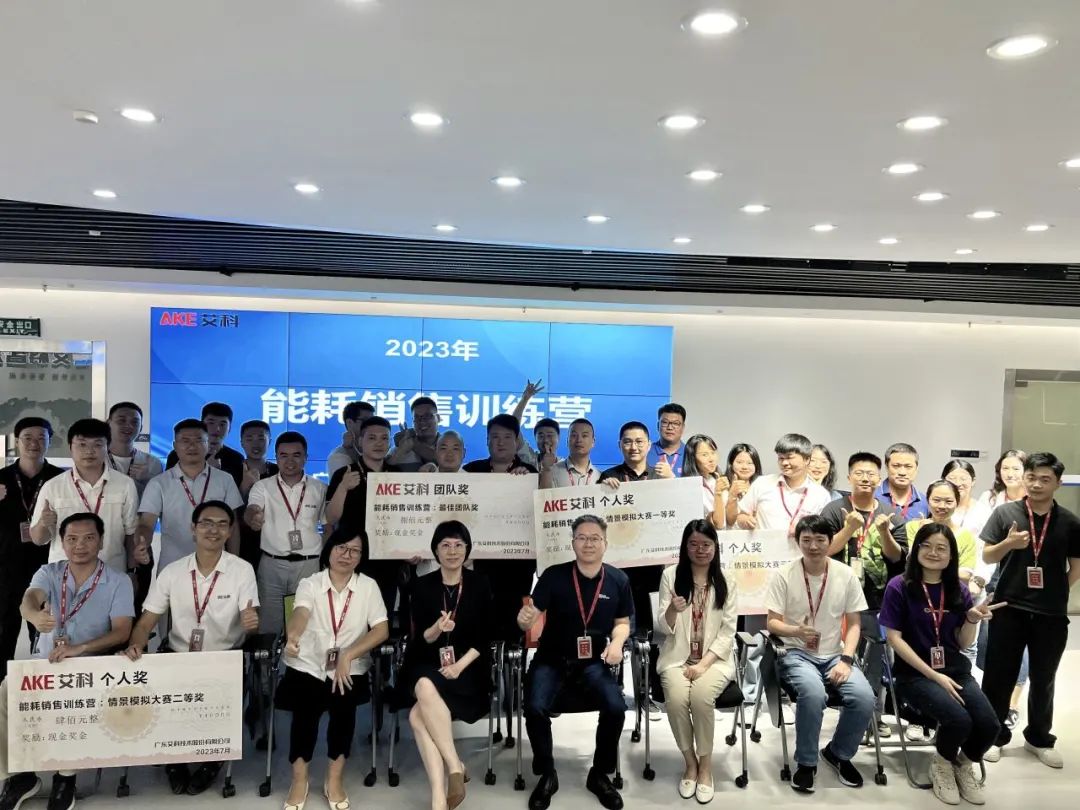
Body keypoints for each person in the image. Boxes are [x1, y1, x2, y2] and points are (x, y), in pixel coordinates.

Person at [123, 501, 260, 795]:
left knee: (218, 713)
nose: (214, 530)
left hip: (224, 659)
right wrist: (136, 644)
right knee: (169, 707)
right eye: (206, 523)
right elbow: (146, 622)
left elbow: (251, 621)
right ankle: (175, 760)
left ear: (230, 531)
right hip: (179, 656)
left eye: (222, 524)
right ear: (193, 529)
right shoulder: (173, 572)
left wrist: (251, 622)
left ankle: (214, 760)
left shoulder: (242, 570)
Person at [0, 513, 134, 810]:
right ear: (62, 542)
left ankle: (65, 778)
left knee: (70, 698)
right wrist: (34, 615)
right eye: (72, 539)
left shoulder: (118, 581)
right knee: (7, 691)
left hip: (90, 666)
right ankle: (19, 775)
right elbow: (29, 599)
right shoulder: (49, 572)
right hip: (46, 662)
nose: (80, 545)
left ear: (101, 541)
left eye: (88, 538)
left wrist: (80, 648)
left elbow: (122, 630)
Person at [517, 515, 632, 810]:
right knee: (534, 706)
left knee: (616, 707)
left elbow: (622, 622)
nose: (588, 543)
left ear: (605, 544)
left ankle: (599, 773)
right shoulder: (554, 576)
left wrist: (617, 643)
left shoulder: (618, 580)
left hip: (593, 661)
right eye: (582, 537)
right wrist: (524, 619)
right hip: (551, 658)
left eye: (595, 538)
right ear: (573, 543)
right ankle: (547, 773)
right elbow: (530, 616)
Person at [878, 523, 999, 806]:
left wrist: (971, 620)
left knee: (989, 725)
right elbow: (894, 639)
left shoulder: (958, 589)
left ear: (951, 554)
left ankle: (962, 763)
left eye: (941, 548)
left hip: (955, 671)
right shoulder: (899, 586)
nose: (934, 552)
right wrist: (933, 675)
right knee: (959, 720)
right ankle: (942, 764)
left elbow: (963, 643)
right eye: (927, 546)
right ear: (916, 549)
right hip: (914, 674)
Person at [980, 452, 1080, 768]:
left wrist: (1056, 592)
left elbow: (1076, 567)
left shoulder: (1069, 522)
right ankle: (993, 736)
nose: (1036, 484)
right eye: (1031, 477)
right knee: (998, 676)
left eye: (1045, 479)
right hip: (1008, 608)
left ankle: (1039, 738)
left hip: (1051, 614)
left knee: (1044, 676)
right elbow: (987, 556)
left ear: (1058, 483)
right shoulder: (1005, 513)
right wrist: (1008, 544)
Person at [278, 529, 389, 810]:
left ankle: (334, 779)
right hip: (309, 663)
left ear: (361, 557)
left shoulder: (368, 587)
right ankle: (299, 780)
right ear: (329, 550)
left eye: (354, 551)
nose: (346, 555)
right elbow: (300, 613)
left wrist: (348, 655)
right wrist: (293, 635)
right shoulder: (310, 583)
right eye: (341, 547)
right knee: (304, 718)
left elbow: (381, 629)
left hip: (350, 666)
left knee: (343, 716)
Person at [765, 514, 874, 793]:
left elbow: (854, 624)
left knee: (864, 697)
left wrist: (846, 659)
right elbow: (772, 623)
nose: (813, 546)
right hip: (796, 653)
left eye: (820, 540)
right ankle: (806, 762)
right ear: (798, 542)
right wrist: (796, 631)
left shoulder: (845, 575)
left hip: (835, 655)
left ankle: (838, 753)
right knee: (813, 694)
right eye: (806, 540)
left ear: (830, 541)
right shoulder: (784, 574)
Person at [401, 521, 493, 810]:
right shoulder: (421, 586)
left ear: (467, 550)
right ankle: (453, 769)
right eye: (445, 545)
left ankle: (441, 793)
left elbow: (486, 636)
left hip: (469, 667)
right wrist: (436, 629)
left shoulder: (480, 584)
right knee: (424, 682)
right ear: (435, 551)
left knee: (417, 717)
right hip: (429, 662)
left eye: (458, 545)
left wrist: (458, 667)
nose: (452, 551)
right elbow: (420, 639)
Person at [657, 520, 738, 804]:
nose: (700, 550)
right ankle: (690, 762)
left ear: (715, 547)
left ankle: (706, 766)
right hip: (676, 659)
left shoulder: (727, 580)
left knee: (702, 698)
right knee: (677, 700)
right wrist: (671, 609)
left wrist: (703, 665)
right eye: (693, 544)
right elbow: (663, 627)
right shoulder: (670, 576)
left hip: (714, 661)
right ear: (685, 547)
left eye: (706, 544)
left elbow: (728, 631)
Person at [598, 422, 662, 716]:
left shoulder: (661, 477)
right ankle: (615, 690)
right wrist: (603, 491)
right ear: (619, 445)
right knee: (619, 632)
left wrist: (671, 483)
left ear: (649, 445)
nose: (633, 447)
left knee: (647, 636)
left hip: (652, 570)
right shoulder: (608, 477)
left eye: (639, 441)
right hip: (619, 572)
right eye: (627, 441)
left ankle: (645, 693)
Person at [30, 418, 141, 575]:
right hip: (63, 577)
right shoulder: (52, 487)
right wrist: (43, 523)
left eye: (97, 444)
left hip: (112, 574)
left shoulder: (125, 484)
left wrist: (132, 572)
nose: (89, 451)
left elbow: (131, 533)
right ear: (70, 447)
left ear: (107, 446)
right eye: (82, 444)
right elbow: (37, 539)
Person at [464, 415, 538, 647]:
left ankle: (512, 661)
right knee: (480, 615)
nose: (501, 442)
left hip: (517, 562)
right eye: (495, 437)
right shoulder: (471, 471)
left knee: (513, 619)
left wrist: (526, 483)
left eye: (507, 437)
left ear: (516, 441)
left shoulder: (529, 473)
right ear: (487, 441)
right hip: (480, 561)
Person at [0, 418, 64, 679]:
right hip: (5, 567)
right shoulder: (1, 478)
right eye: (28, 437)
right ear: (16, 441)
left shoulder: (60, 479)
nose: (34, 443)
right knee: (3, 632)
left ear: (50, 441)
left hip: (46, 567)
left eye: (41, 437)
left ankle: (43, 689)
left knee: (43, 633)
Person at [138, 419, 244, 575]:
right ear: (175, 446)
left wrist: (234, 563)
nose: (192, 446)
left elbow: (232, 527)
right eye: (185, 441)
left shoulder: (225, 480)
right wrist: (142, 543)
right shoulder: (159, 483)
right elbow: (147, 523)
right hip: (172, 569)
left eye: (199, 440)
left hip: (216, 568)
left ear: (208, 445)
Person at [247, 432, 327, 637]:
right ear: (276, 457)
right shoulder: (262, 486)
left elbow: (328, 526)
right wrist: (253, 516)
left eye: (296, 455)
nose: (290, 461)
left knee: (306, 626)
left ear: (306, 457)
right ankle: (269, 658)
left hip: (309, 565)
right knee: (269, 626)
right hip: (272, 564)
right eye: (283, 455)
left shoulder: (320, 488)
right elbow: (252, 509)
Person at [326, 416, 405, 618]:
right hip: (353, 558)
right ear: (360, 441)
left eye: (384, 438)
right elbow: (331, 518)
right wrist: (343, 488)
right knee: (350, 618)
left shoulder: (398, 474)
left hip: (388, 560)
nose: (379, 443)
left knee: (382, 617)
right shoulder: (345, 473)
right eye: (372, 438)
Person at [973, 450, 1028, 725]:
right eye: (1005, 468)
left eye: (1016, 468)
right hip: (995, 572)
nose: (1010, 473)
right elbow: (983, 540)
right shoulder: (990, 498)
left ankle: (1012, 705)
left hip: (1025, 576)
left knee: (1022, 640)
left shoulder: (1033, 501)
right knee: (989, 640)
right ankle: (994, 699)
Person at [821, 452, 906, 610]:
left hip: (879, 600)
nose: (865, 479)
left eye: (871, 474)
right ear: (849, 478)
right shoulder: (832, 510)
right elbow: (824, 550)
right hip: (837, 596)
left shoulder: (891, 514)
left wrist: (885, 533)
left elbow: (897, 558)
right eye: (859, 473)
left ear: (879, 480)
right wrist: (849, 529)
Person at [735, 434, 830, 535]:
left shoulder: (821, 495)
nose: (784, 463)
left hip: (803, 545)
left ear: (807, 459)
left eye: (789, 457)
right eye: (781, 458)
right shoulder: (762, 483)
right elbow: (740, 516)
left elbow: (826, 532)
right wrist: (745, 521)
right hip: (766, 545)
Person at [904, 482, 978, 587]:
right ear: (927, 501)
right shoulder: (913, 527)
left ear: (957, 503)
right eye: (936, 500)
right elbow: (909, 562)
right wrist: (921, 535)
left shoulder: (966, 536)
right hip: (913, 587)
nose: (942, 506)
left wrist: (932, 570)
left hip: (949, 591)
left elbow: (965, 574)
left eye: (949, 501)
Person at [166, 402, 246, 490]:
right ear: (202, 425)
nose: (217, 429)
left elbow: (236, 495)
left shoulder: (236, 459)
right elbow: (169, 490)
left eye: (222, 424)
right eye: (211, 423)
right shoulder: (178, 455)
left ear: (229, 428)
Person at [238, 420, 279, 569]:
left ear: (270, 441)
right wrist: (244, 486)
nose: (255, 444)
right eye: (249, 439)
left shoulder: (279, 471)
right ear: (242, 443)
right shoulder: (232, 471)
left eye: (261, 438)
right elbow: (228, 511)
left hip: (274, 543)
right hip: (242, 541)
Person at [106, 401, 163, 497]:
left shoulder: (153, 463)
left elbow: (160, 498)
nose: (128, 426)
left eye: (135, 422)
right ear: (108, 423)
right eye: (121, 420)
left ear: (141, 428)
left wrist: (148, 480)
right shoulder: (97, 460)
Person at [680, 435, 730, 530]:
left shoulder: (717, 479)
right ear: (692, 458)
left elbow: (729, 518)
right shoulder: (689, 488)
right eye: (704, 455)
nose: (711, 459)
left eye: (713, 452)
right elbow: (718, 524)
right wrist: (718, 493)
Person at [541, 419, 599, 489]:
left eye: (584, 436)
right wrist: (546, 471)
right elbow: (543, 495)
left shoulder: (600, 476)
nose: (579, 440)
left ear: (593, 442)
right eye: (574, 435)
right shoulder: (551, 472)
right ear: (567, 441)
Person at [876, 443, 928, 520]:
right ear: (887, 467)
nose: (902, 472)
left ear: (916, 468)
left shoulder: (925, 502)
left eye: (908, 466)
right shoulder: (872, 497)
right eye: (896, 466)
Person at [389, 396, 441, 472]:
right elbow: (381, 472)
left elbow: (446, 460)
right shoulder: (401, 447)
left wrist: (414, 444)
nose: (422, 421)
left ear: (438, 418)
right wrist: (401, 451)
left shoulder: (450, 444)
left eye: (427, 416)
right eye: (417, 417)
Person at [327, 401, 376, 478]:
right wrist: (350, 450)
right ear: (349, 423)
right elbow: (361, 482)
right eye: (365, 421)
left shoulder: (375, 450)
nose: (371, 426)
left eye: (373, 422)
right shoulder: (339, 457)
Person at [723, 443, 762, 529]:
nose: (744, 467)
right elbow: (728, 521)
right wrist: (732, 494)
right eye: (739, 462)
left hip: (758, 535)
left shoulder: (761, 487)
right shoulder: (723, 487)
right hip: (732, 535)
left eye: (750, 463)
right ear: (731, 464)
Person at [647, 403, 687, 478]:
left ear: (683, 427)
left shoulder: (691, 453)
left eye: (676, 423)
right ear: (658, 425)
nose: (670, 427)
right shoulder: (645, 452)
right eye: (665, 422)